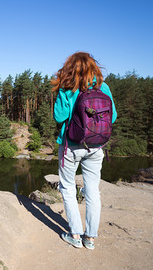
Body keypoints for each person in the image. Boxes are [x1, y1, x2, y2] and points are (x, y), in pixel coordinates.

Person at [51, 52, 117, 250]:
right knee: (92, 191)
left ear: (70, 67)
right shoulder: (103, 87)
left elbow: (59, 116)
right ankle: (90, 238)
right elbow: (112, 117)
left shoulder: (67, 88)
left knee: (68, 189)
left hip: (71, 146)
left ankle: (75, 235)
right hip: (96, 147)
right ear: (93, 67)